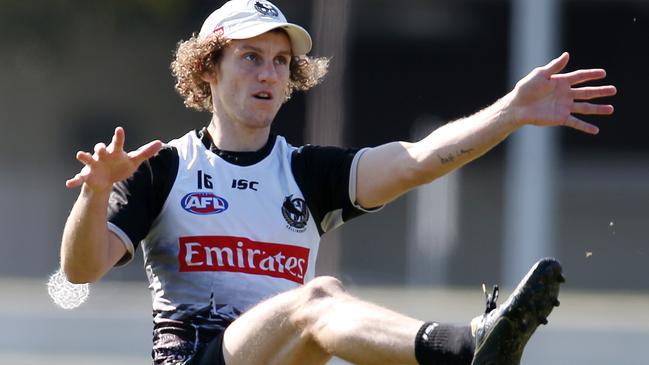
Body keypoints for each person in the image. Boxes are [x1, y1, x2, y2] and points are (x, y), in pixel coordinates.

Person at [59, 1, 616, 364]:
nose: (268, 74)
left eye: (280, 62)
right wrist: (95, 191)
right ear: (208, 69)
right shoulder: (162, 168)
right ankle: (464, 347)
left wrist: (512, 113)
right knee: (320, 297)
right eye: (250, 57)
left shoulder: (308, 173)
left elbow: (420, 159)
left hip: (285, 353)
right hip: (199, 358)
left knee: (315, 310)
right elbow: (80, 270)